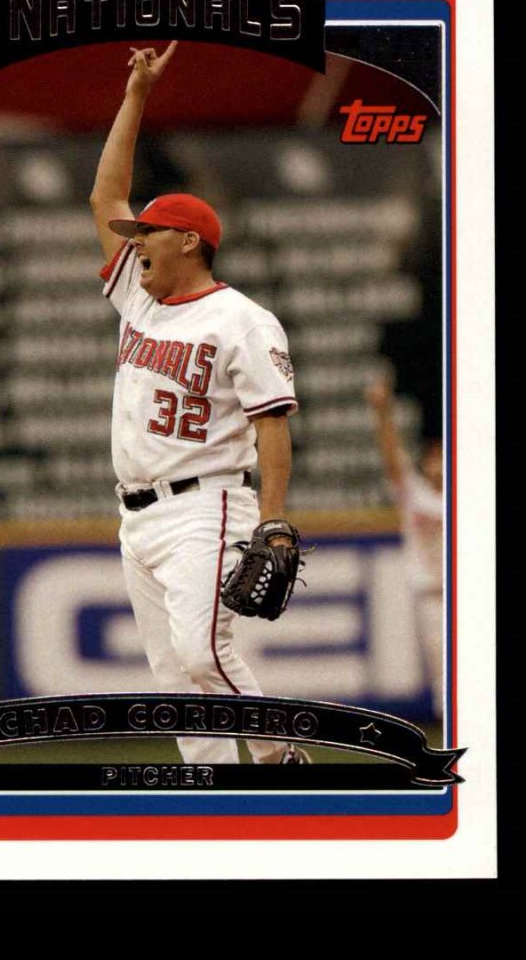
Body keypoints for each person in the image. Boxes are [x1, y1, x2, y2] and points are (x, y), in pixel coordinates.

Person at [89, 41, 308, 765]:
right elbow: (105, 199)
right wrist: (136, 96)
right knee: (175, 681)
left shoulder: (242, 320)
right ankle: (213, 798)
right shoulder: (138, 298)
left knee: (201, 651)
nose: (135, 241)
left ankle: (281, 759)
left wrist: (272, 517)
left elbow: (271, 425)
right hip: (136, 515)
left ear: (189, 241)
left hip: (204, 506)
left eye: (147, 232)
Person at [367, 374, 444, 720]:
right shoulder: (416, 493)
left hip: (471, 599)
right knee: (446, 683)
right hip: (434, 598)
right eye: (434, 456)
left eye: (444, 456)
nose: (438, 463)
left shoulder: (473, 494)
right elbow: (392, 460)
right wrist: (382, 412)